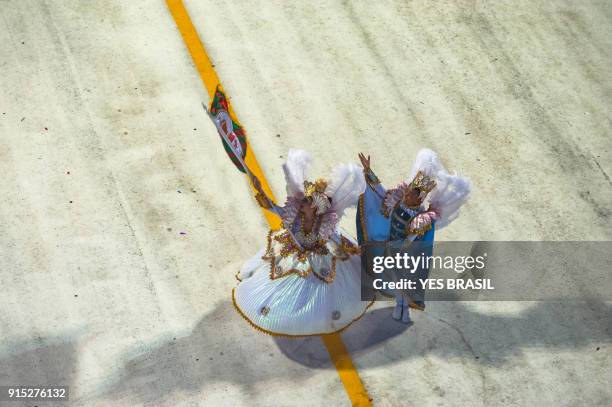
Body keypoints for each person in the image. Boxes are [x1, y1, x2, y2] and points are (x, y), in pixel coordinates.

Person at [233, 149, 373, 336]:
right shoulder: (294, 213)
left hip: (315, 254)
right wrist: (260, 191)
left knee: (315, 281)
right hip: (292, 251)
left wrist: (310, 246)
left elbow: (321, 240)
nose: (303, 202)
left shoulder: (324, 224)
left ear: (315, 208)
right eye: (305, 199)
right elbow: (273, 208)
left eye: (308, 201)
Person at [356, 149, 471, 323]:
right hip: (391, 251)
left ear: (419, 199)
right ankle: (400, 305)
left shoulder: (421, 218)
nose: (407, 195)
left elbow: (412, 239)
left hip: (405, 254)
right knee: (394, 282)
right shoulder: (397, 201)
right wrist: (368, 170)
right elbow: (379, 192)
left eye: (411, 194)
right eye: (408, 191)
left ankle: (403, 308)